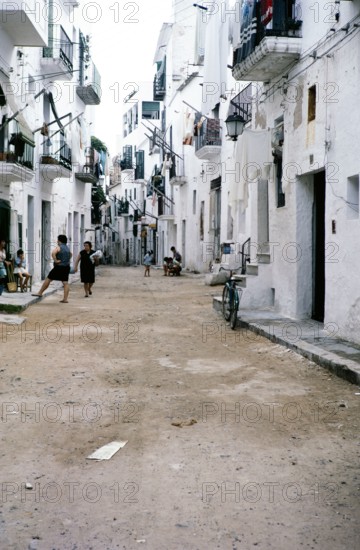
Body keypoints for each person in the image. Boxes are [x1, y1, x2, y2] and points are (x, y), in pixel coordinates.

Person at [32, 235, 72, 303]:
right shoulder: (67, 248)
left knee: (48, 279)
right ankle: (65, 299)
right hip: (66, 267)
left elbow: (53, 253)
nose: (57, 241)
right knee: (65, 282)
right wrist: (66, 260)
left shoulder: (59, 247)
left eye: (58, 240)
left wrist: (56, 260)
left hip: (59, 267)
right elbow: (71, 254)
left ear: (59, 240)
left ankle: (40, 292)